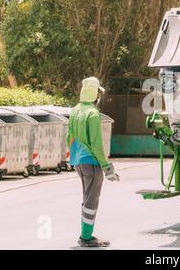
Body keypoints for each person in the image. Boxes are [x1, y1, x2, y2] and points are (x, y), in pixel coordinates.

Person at [67, 77, 120, 247]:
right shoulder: (92, 113)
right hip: (91, 162)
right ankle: (86, 238)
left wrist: (74, 157)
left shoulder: (75, 111)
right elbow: (96, 145)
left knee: (87, 198)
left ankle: (86, 234)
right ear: (94, 93)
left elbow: (69, 137)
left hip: (78, 161)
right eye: (98, 92)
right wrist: (107, 168)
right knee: (91, 200)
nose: (99, 95)